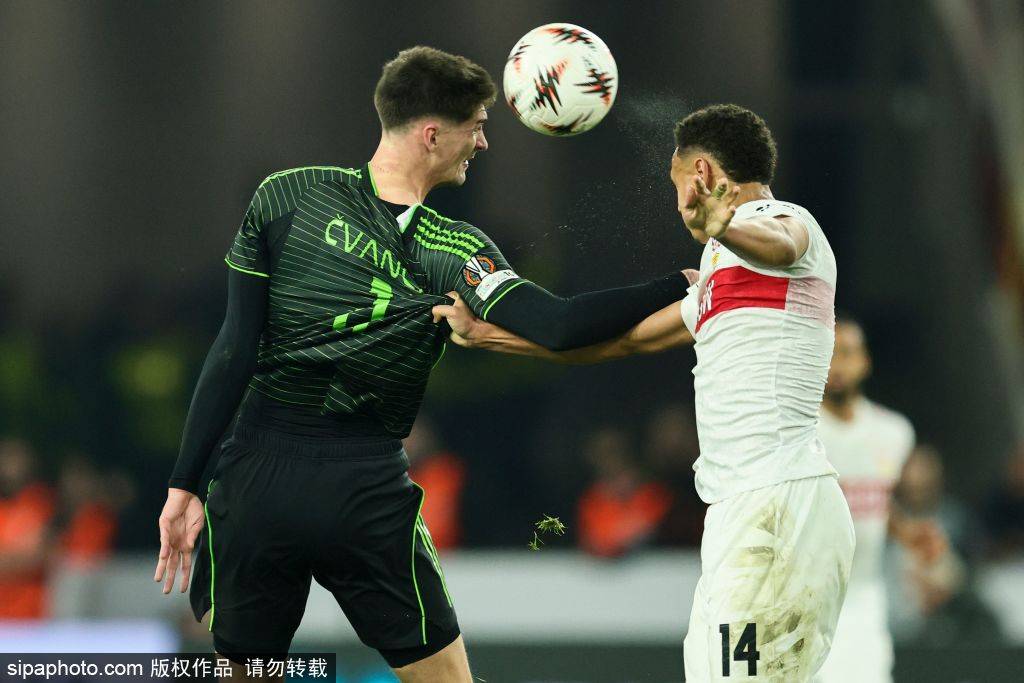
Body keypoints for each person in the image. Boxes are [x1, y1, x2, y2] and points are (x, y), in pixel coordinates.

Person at [153, 46, 690, 681]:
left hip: (257, 478)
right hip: (363, 489)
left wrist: (185, 483)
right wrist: (679, 282)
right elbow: (559, 326)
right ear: (433, 135)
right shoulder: (452, 249)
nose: (483, 143)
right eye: (477, 126)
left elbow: (233, 349)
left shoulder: (286, 196)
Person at [434, 103, 855, 680]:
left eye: (678, 185)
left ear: (702, 174)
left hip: (778, 502)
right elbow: (622, 342)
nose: (679, 203)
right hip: (741, 512)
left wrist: (725, 224)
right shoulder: (718, 275)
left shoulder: (786, 222)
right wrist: (488, 337)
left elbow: (782, 243)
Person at [814, 316, 946, 683]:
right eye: (827, 353)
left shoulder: (894, 432)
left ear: (865, 361)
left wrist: (908, 533)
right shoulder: (799, 432)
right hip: (805, 596)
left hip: (864, 597)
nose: (837, 365)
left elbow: (876, 504)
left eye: (846, 353)